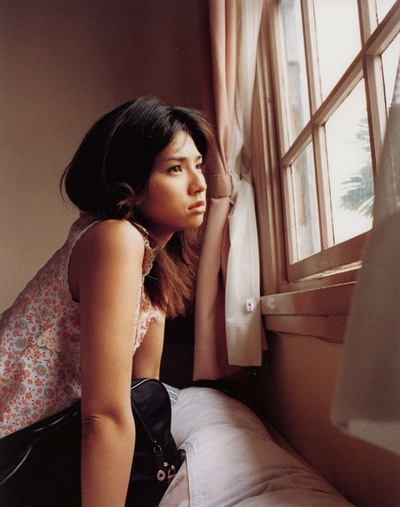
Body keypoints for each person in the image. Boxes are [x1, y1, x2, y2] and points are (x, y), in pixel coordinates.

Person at [0, 97, 212, 506]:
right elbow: (104, 417)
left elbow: (142, 395)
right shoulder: (116, 238)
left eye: (198, 165)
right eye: (175, 168)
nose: (199, 183)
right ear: (127, 182)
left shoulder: (152, 260)